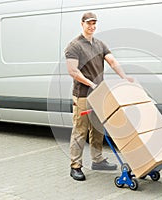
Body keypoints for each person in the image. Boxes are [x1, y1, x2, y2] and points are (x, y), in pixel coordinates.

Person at [65, 12, 133, 181]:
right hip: (82, 95)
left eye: (94, 23)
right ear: (82, 24)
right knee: (80, 130)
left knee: (97, 128)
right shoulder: (74, 45)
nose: (92, 26)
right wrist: (91, 84)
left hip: (98, 94)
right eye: (89, 23)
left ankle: (97, 160)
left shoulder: (100, 44)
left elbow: (112, 61)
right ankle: (75, 166)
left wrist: (124, 77)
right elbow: (73, 71)